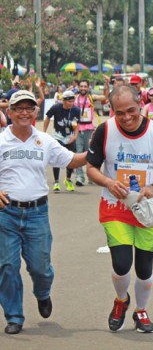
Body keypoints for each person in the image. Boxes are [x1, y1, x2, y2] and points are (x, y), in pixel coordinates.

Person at [86, 85, 153, 333]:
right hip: (114, 207)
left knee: (144, 267)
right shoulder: (104, 130)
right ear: (111, 111)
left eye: (132, 111)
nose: (127, 118)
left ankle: (141, 311)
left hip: (147, 209)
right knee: (121, 263)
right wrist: (108, 182)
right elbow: (91, 167)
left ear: (141, 104)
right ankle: (121, 301)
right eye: (120, 113)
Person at [0, 90, 87, 335]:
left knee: (41, 268)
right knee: (7, 266)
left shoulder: (45, 141)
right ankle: (14, 316)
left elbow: (72, 160)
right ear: (10, 112)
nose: (24, 113)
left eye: (29, 108)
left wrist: (97, 151)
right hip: (6, 213)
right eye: (19, 108)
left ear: (37, 112)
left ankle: (42, 293)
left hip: (37, 213)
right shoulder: (1, 140)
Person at [43, 90, 81, 192]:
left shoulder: (76, 110)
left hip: (70, 137)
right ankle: (56, 181)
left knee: (71, 158)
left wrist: (75, 136)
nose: (71, 104)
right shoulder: (56, 108)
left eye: (73, 101)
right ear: (63, 100)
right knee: (57, 157)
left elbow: (77, 124)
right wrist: (44, 132)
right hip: (58, 136)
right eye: (69, 101)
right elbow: (47, 118)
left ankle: (68, 180)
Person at [73, 78, 109, 186]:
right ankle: (79, 177)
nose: (83, 88)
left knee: (90, 152)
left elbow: (104, 97)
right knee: (78, 152)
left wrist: (106, 84)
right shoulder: (74, 99)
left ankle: (91, 176)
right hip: (78, 129)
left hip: (89, 128)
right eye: (81, 86)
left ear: (88, 88)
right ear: (78, 87)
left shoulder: (91, 98)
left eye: (85, 86)